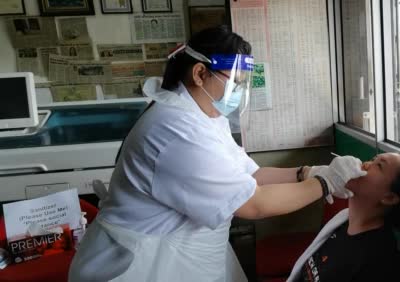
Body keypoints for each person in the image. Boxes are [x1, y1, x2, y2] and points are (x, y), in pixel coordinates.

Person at [68, 25, 366, 282]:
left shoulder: (205, 117)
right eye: (234, 82)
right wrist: (325, 183)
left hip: (178, 256)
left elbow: (251, 175)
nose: (238, 91)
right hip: (143, 265)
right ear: (200, 73)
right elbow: (253, 205)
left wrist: (306, 172)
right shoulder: (175, 130)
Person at [288, 153, 400, 282]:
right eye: (373, 159)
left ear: (389, 197)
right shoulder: (342, 223)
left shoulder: (379, 263)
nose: (366, 164)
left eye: (379, 166)